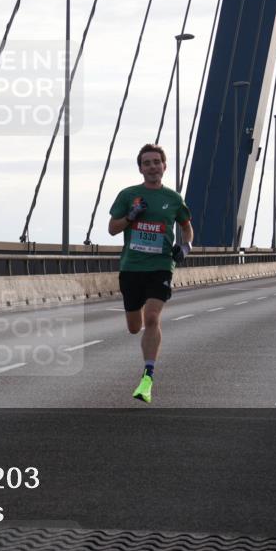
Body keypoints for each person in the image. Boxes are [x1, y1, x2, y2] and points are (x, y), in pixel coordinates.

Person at [109, 144, 193, 404]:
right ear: (140, 168)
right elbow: (112, 229)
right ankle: (146, 364)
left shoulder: (174, 199)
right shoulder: (128, 195)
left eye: (157, 162)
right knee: (135, 327)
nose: (152, 167)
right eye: (147, 163)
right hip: (132, 268)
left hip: (161, 266)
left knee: (153, 317)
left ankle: (148, 376)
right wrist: (131, 217)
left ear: (164, 166)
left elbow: (187, 228)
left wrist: (186, 247)